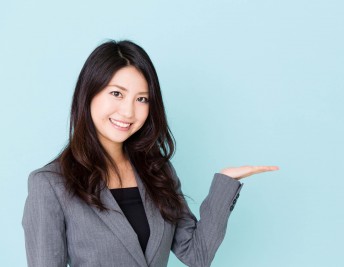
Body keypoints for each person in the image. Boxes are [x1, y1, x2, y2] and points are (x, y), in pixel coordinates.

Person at [21, 39, 279, 267]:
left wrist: (225, 182)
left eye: (142, 99)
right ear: (88, 94)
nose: (128, 112)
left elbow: (196, 256)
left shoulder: (157, 171)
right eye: (116, 94)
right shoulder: (50, 184)